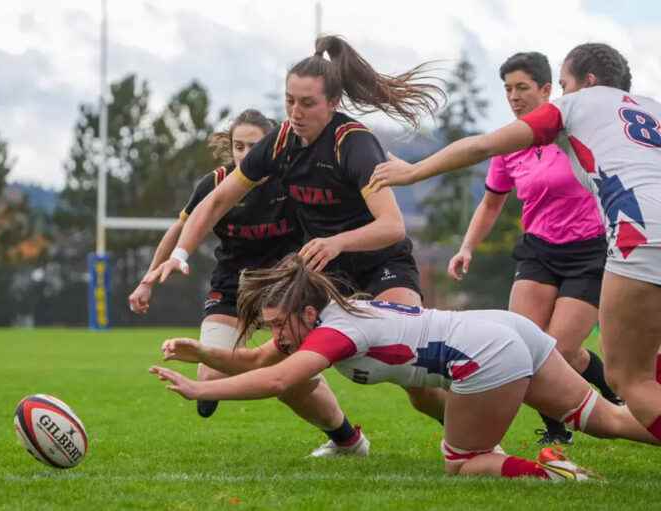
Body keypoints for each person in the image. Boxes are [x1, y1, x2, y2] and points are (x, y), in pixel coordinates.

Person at [143, 35, 448, 433]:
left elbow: (392, 227)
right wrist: (180, 255)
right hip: (326, 273)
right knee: (285, 362)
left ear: (333, 103)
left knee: (410, 370)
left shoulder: (352, 144)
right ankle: (345, 440)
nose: (295, 111)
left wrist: (337, 241)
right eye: (289, 100)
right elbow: (217, 201)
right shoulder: (281, 142)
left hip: (381, 264)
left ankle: (475, 432)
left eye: (307, 103)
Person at [369, 43, 661, 444]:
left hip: (636, 240)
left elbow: (481, 145)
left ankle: (602, 414)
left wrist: (413, 171)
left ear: (589, 84)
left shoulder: (574, 108)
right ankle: (564, 425)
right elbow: (492, 196)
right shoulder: (651, 108)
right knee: (631, 360)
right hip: (564, 248)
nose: (561, 93)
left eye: (564, 83)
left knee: (629, 377)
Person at [150, 254, 659, 480]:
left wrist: (200, 392)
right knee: (607, 418)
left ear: (307, 312)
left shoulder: (335, 330)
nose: (277, 335)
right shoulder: (327, 319)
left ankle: (557, 475)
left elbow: (280, 378)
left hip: (483, 350)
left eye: (281, 324)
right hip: (501, 328)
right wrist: (206, 356)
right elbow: (264, 359)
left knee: (462, 461)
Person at [129, 108, 368, 457]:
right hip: (233, 285)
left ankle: (347, 440)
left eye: (252, 146)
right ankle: (291, 374)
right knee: (211, 379)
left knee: (292, 382)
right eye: (238, 146)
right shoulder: (215, 184)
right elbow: (180, 229)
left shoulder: (293, 180)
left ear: (271, 146)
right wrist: (147, 280)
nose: (245, 154)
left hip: (285, 288)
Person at [446, 52, 619, 445]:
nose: (513, 96)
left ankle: (612, 393)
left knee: (560, 350)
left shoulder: (577, 133)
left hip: (590, 251)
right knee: (522, 344)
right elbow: (491, 203)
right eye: (507, 89)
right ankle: (558, 430)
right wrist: (467, 247)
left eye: (522, 87)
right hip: (539, 250)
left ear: (546, 90)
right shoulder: (510, 144)